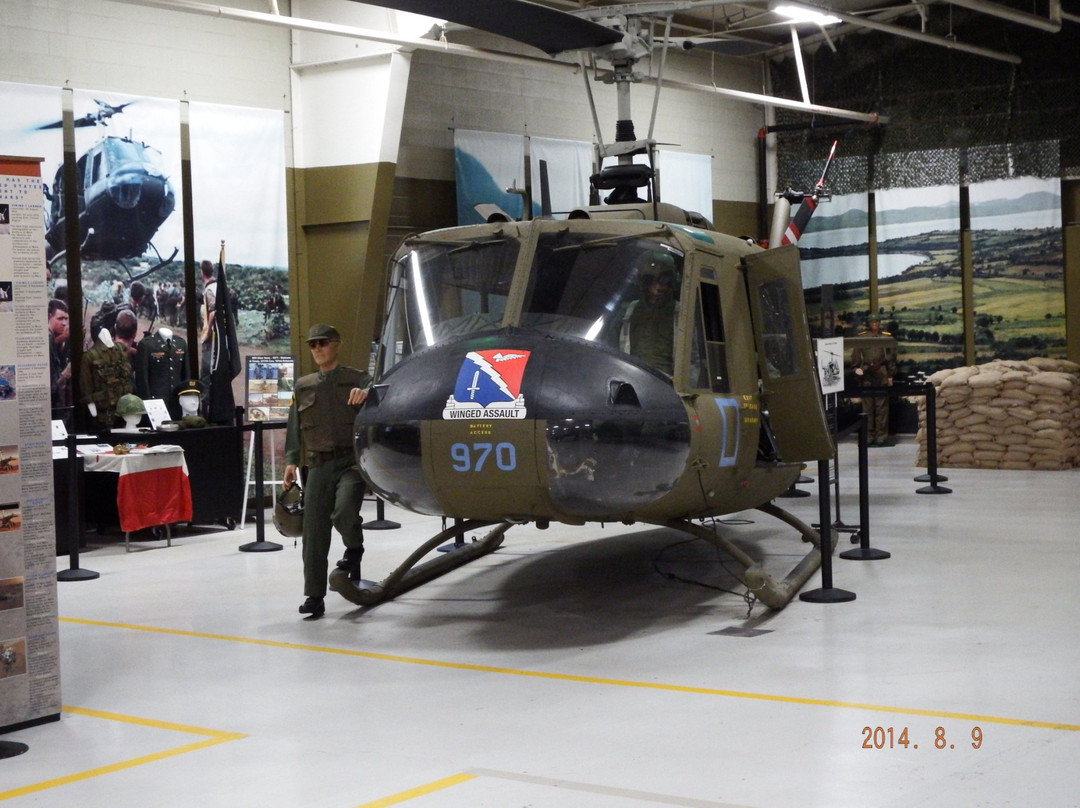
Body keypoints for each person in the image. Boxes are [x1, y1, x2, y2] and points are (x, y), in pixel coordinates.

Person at [283, 324, 371, 618]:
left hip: (351, 463)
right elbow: (294, 426)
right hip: (318, 465)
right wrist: (291, 461)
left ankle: (354, 548)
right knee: (314, 533)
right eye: (312, 345)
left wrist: (367, 393)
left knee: (344, 511)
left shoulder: (356, 378)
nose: (318, 349)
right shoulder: (303, 385)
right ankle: (314, 596)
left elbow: (381, 393)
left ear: (337, 344)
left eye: (323, 343)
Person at [621, 252, 678, 375]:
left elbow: (693, 359)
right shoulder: (629, 311)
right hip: (631, 375)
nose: (658, 287)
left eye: (664, 280)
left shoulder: (680, 313)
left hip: (666, 383)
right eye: (651, 281)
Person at [851, 314, 897, 446]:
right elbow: (855, 356)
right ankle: (868, 436)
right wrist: (856, 369)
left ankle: (881, 437)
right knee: (867, 409)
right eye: (872, 322)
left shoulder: (886, 337)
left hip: (882, 374)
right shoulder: (862, 338)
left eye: (877, 321)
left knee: (882, 409)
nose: (875, 324)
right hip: (867, 375)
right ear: (868, 323)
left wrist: (890, 376)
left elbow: (892, 357)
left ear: (880, 323)